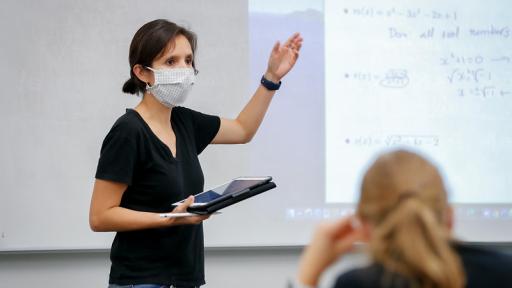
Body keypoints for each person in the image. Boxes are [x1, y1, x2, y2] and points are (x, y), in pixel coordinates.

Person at [89, 19, 302, 288]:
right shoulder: (128, 132)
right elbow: (100, 216)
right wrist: (170, 218)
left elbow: (242, 130)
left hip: (185, 278)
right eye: (171, 61)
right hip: (141, 280)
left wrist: (271, 79)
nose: (184, 69)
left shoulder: (184, 122)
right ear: (142, 73)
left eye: (188, 60)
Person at [297, 150, 512, 288]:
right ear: (450, 217)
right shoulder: (504, 274)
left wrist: (307, 278)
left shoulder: (356, 284)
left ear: (363, 225)